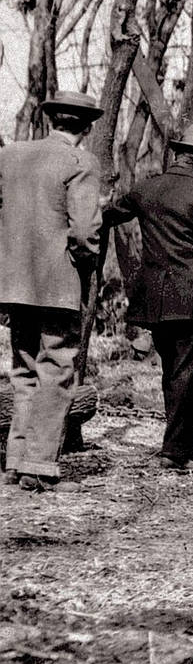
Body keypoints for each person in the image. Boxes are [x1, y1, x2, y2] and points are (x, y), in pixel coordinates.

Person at [104, 123, 193, 470]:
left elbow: (109, 214)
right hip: (192, 299)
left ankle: (181, 447)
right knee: (189, 375)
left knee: (173, 374)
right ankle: (176, 453)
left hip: (154, 300)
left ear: (176, 154)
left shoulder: (146, 189)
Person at [0, 92, 104, 493]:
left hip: (13, 282)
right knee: (57, 368)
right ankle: (39, 465)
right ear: (87, 127)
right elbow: (83, 232)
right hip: (57, 282)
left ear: (51, 120)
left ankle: (15, 461)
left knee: (24, 369)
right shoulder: (81, 162)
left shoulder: (10, 155)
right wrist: (85, 262)